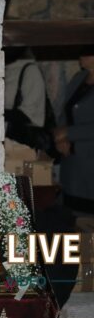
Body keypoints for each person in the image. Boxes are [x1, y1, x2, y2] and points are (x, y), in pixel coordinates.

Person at [55, 53, 94, 213]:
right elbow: (65, 109)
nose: (81, 55)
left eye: (88, 52)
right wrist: (60, 138)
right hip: (72, 161)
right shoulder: (79, 78)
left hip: (90, 162)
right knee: (71, 216)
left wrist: (69, 133)